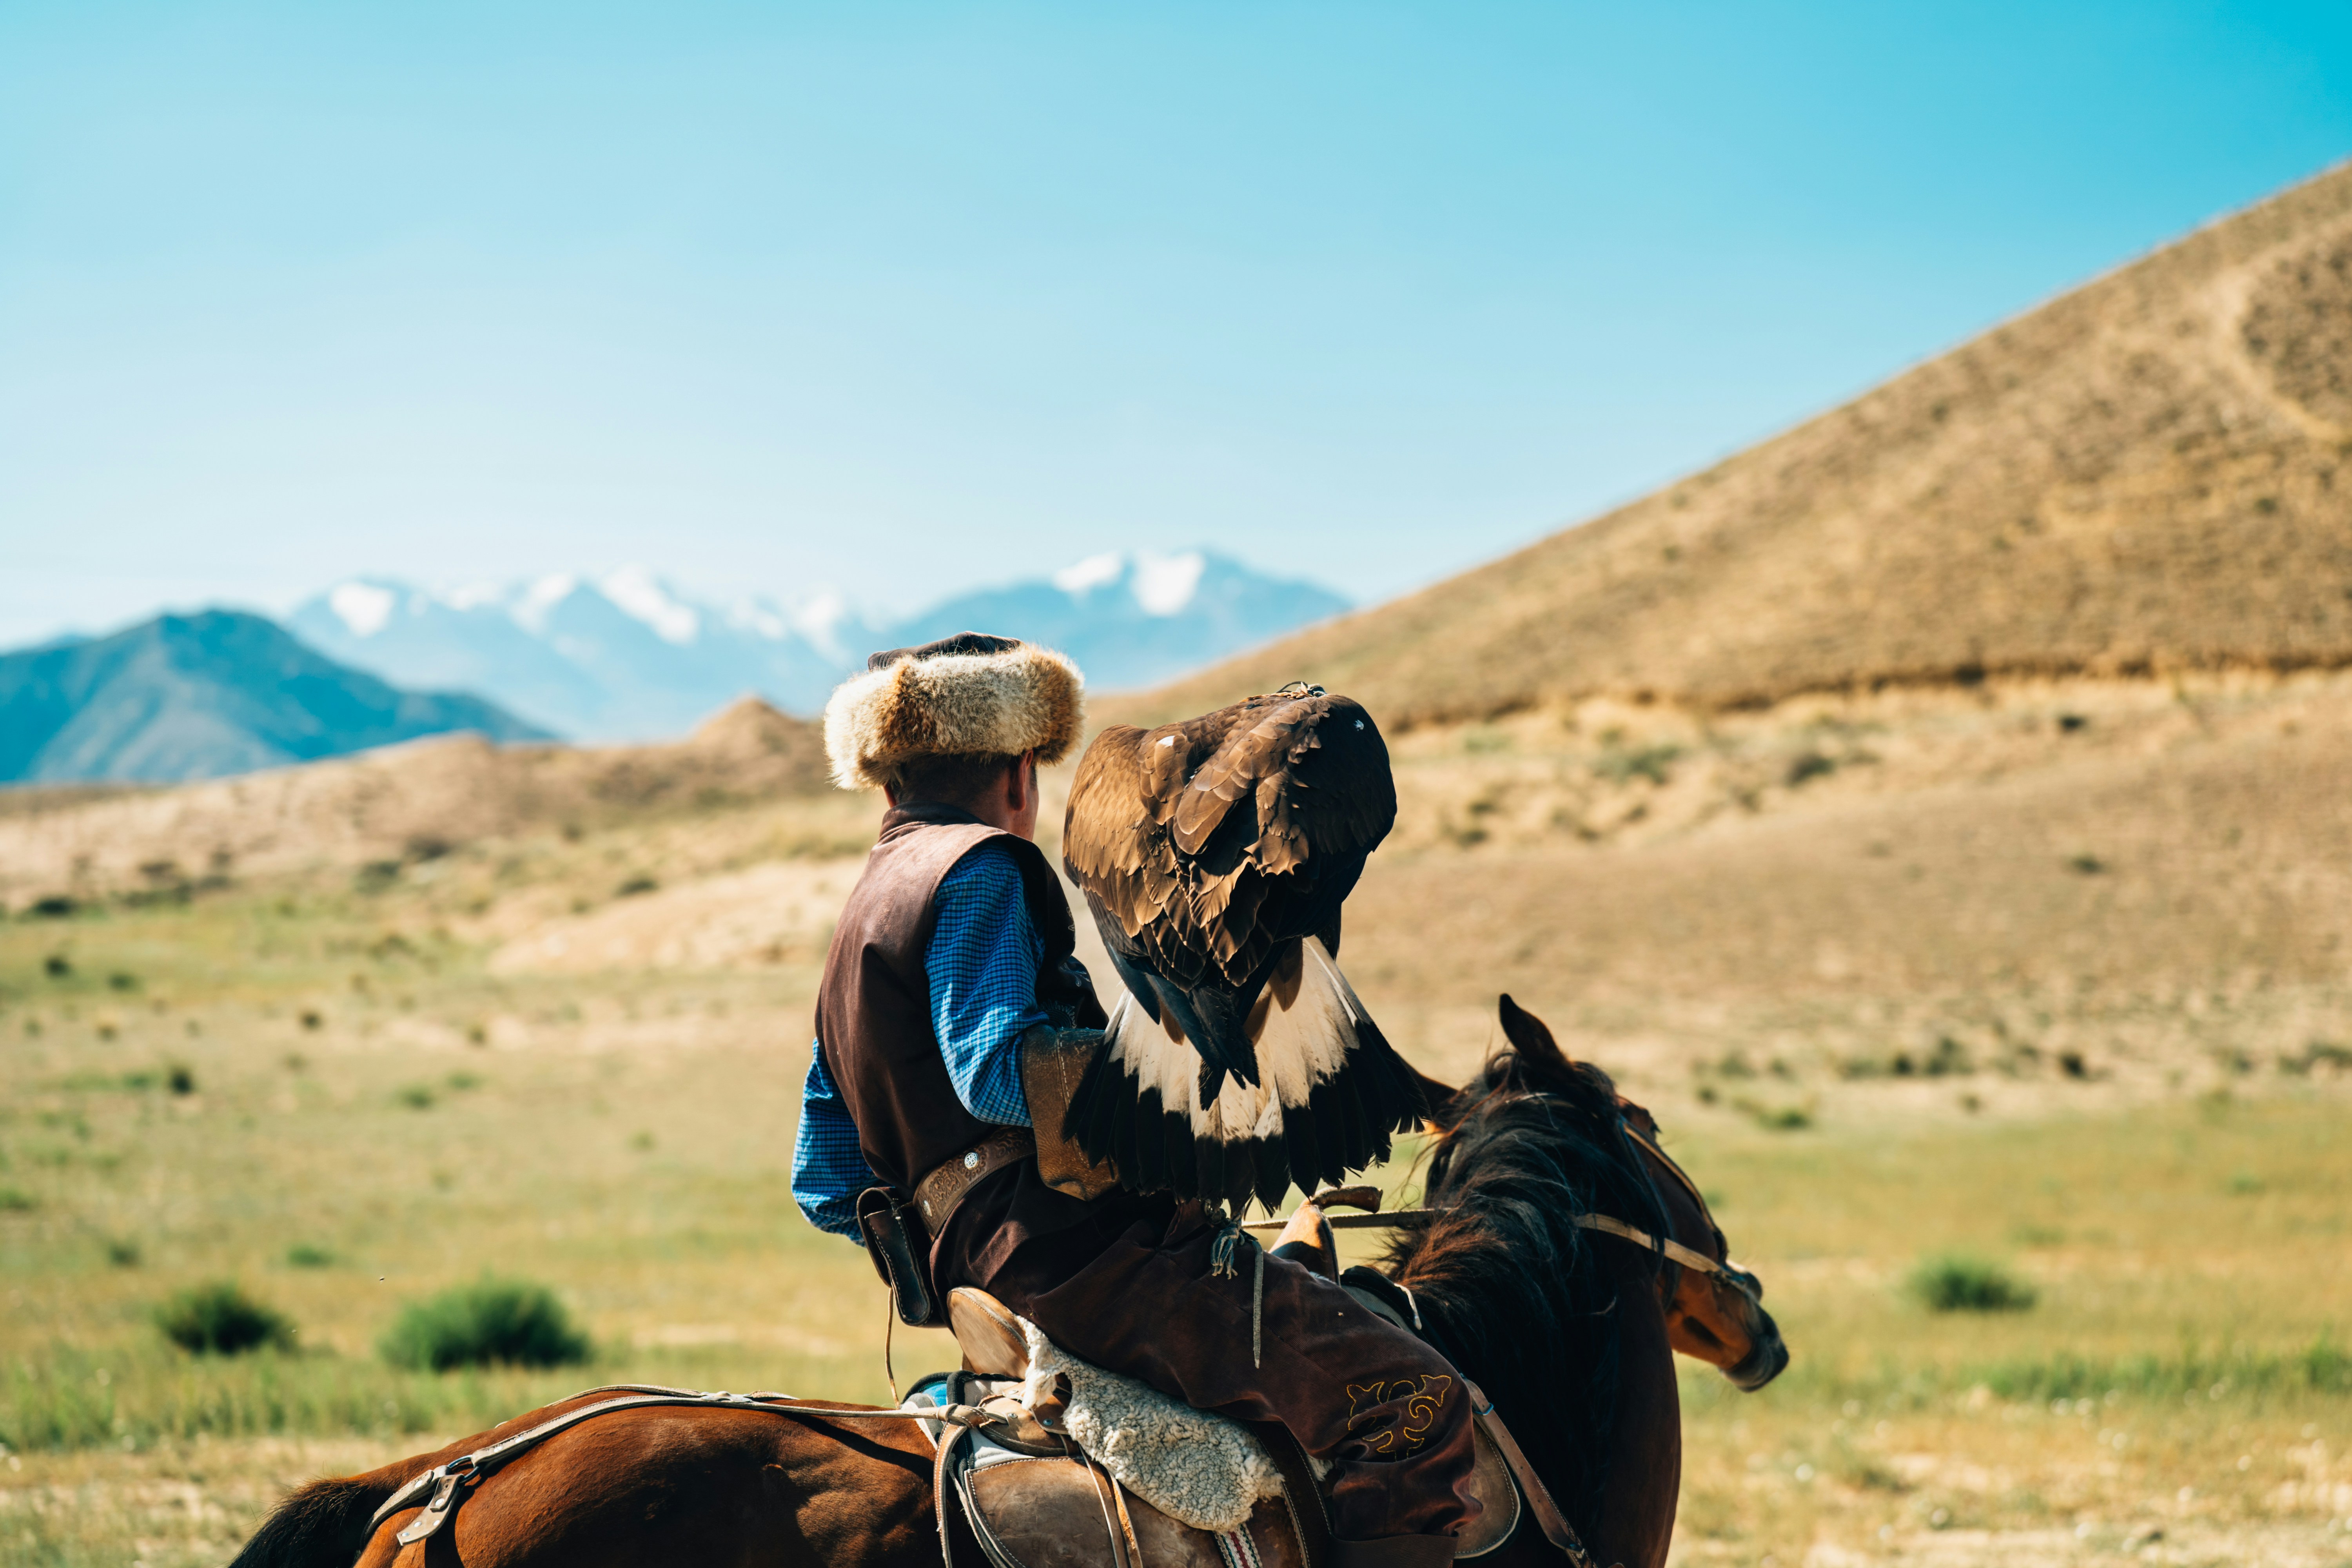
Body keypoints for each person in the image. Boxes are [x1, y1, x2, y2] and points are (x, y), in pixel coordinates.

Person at [793, 632, 1477, 1568]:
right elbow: (995, 1071)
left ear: (885, 783)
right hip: (1084, 1258)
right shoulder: (983, 868)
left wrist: (958, 1240)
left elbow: (825, 1180)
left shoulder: (860, 918)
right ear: (1021, 771)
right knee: (1414, 1397)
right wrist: (1179, 1082)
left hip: (974, 1279)